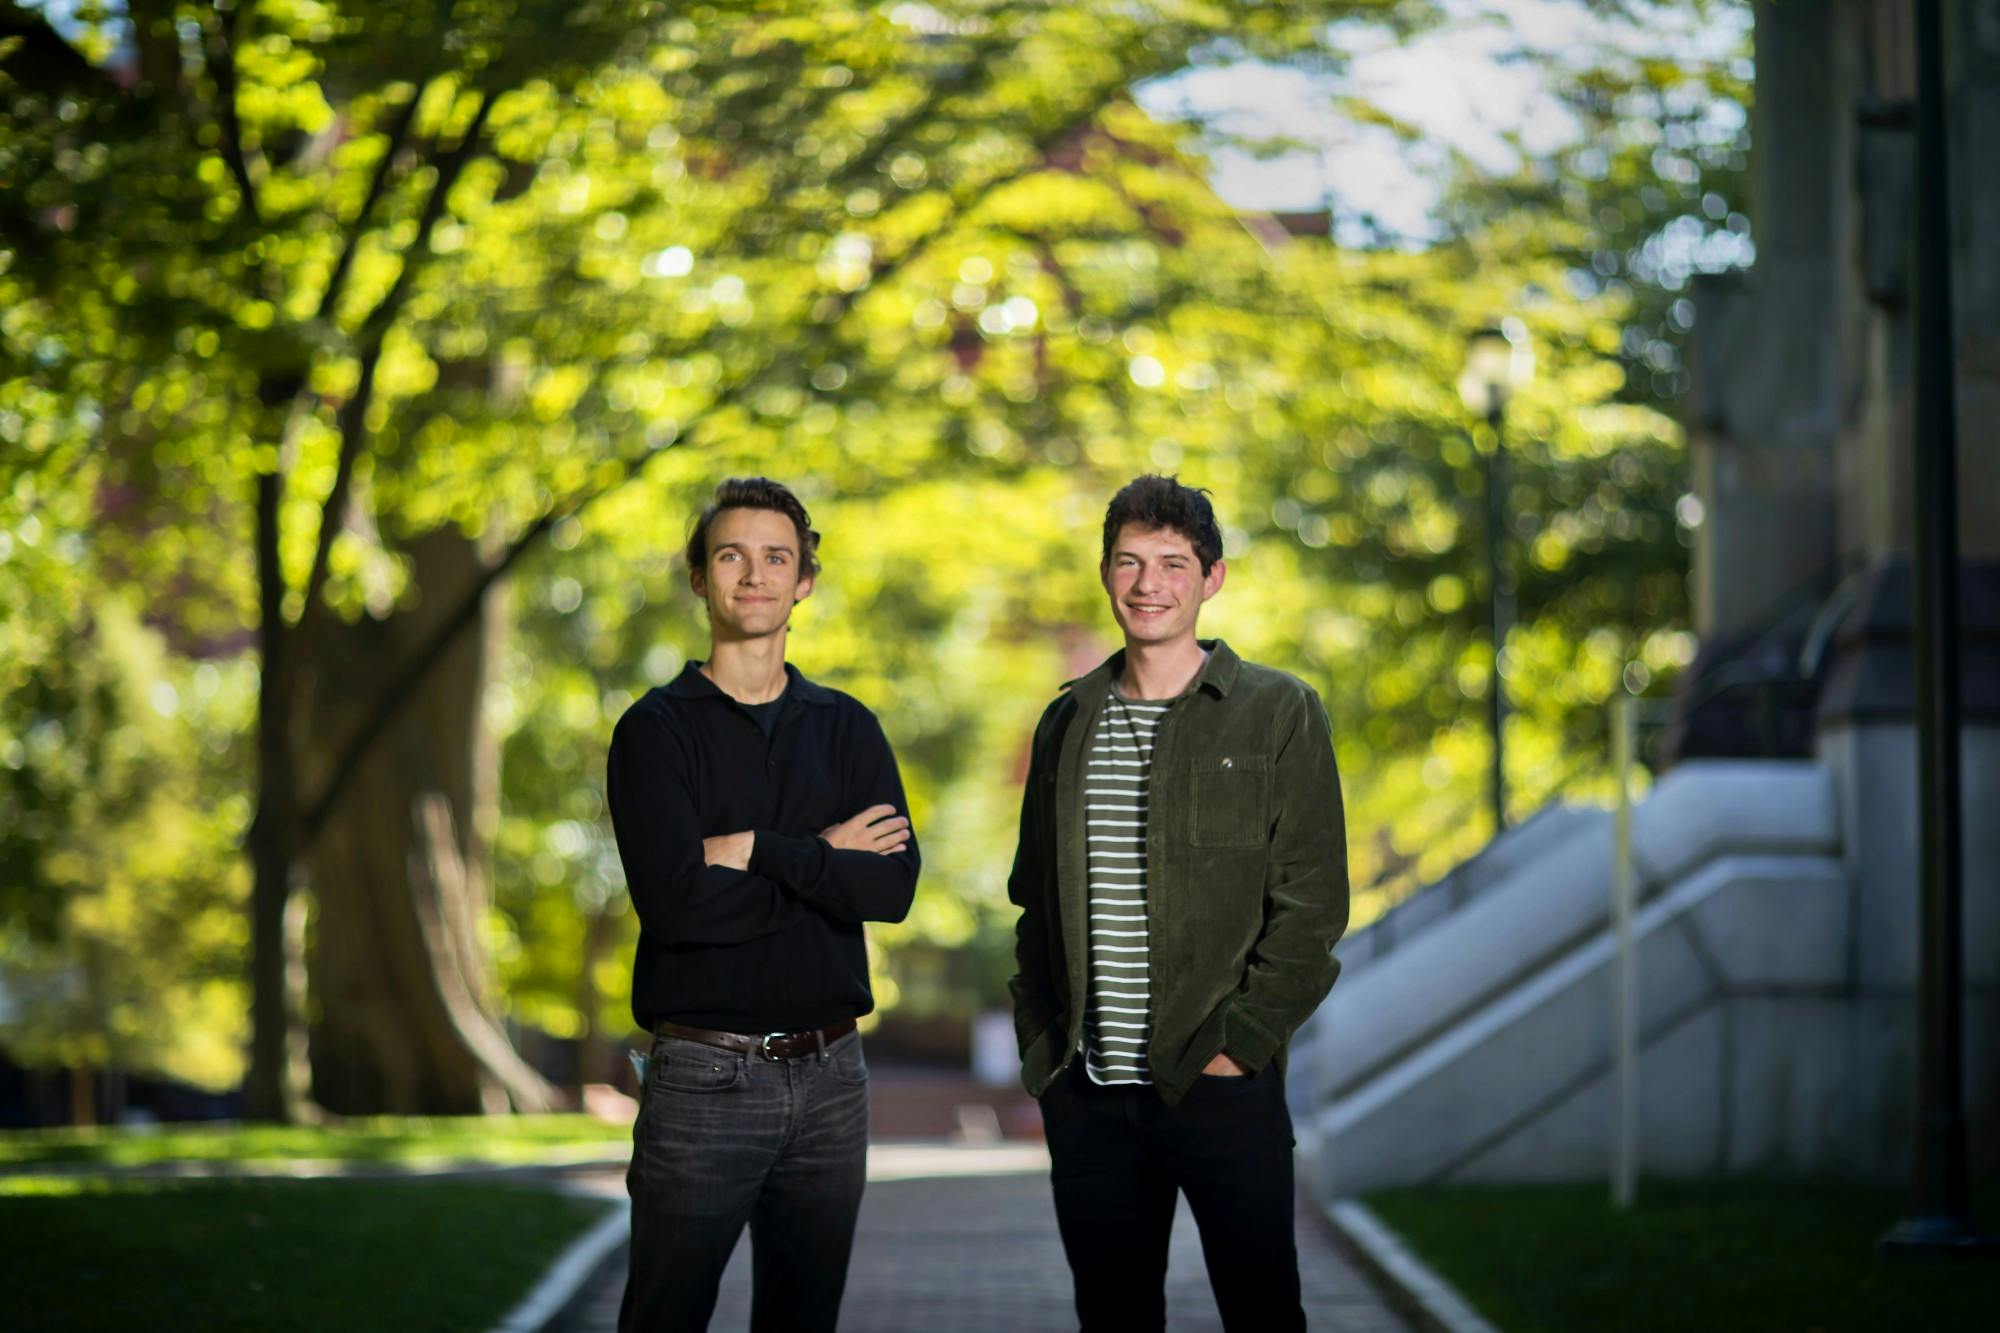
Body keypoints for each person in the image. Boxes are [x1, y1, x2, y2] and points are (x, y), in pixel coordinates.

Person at [1007, 474, 1349, 1332]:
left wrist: (1241, 1045)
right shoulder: (1067, 721)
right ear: (1105, 573)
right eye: (1129, 561)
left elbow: (1312, 907)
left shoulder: (1278, 712)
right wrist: (1045, 1049)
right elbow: (1033, 900)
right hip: (1090, 1094)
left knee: (1264, 1313)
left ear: (1212, 578)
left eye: (1171, 563)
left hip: (1222, 1084)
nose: (1148, 583)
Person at [606, 476, 919, 1332]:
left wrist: (751, 850)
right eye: (731, 555)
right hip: (703, 1077)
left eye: (777, 557)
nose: (754, 574)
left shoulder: (849, 728)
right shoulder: (654, 731)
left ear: (803, 581)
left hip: (832, 1078)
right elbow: (677, 906)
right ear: (699, 577)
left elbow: (890, 889)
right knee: (665, 1316)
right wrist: (825, 860)